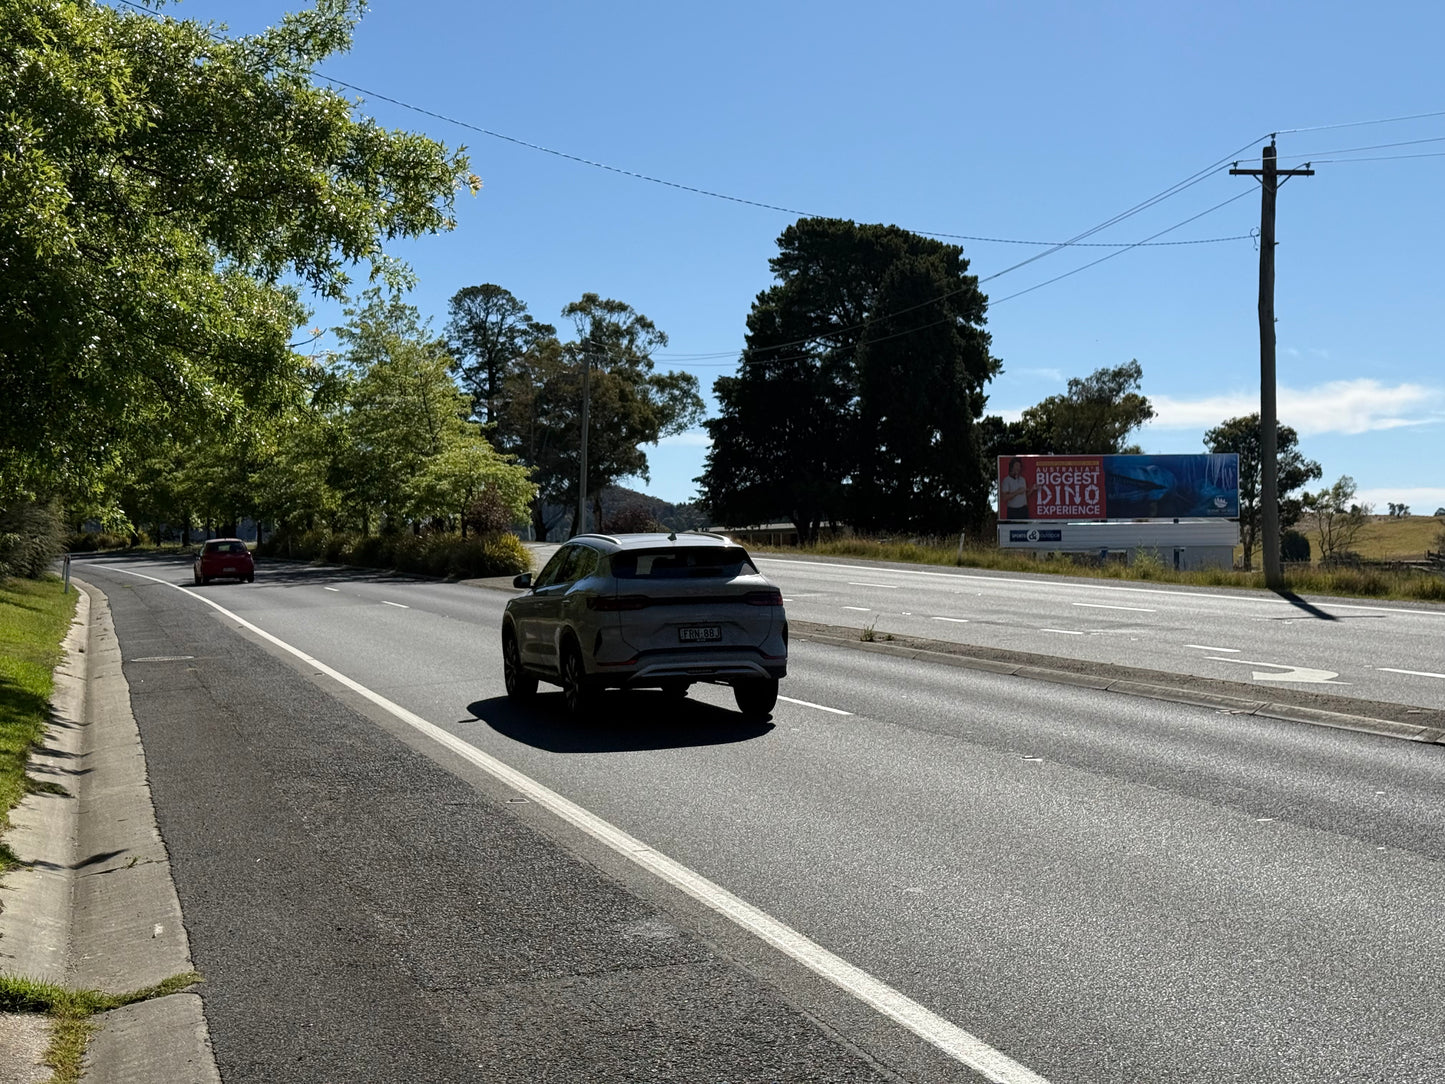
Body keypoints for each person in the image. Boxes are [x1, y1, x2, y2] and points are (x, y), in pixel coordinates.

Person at [1000, 457, 1031, 521]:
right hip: (1013, 511)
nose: (1018, 468)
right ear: (1011, 467)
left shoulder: (1022, 480)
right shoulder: (1007, 480)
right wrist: (1017, 492)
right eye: (1016, 465)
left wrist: (1032, 489)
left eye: (1019, 466)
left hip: (1024, 510)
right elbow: (1004, 497)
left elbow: (1024, 496)